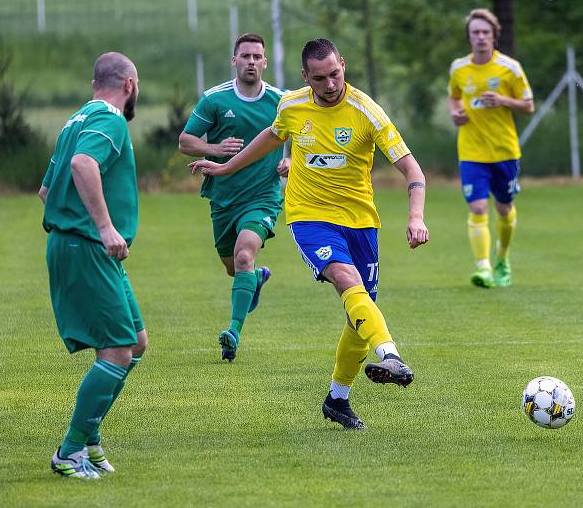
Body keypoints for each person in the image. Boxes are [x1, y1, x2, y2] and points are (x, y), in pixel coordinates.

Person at [188, 38, 429, 430]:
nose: (330, 84)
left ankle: (338, 399)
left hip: (361, 221)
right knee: (344, 278)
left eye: (335, 74)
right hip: (309, 217)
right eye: (320, 78)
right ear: (306, 77)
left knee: (359, 312)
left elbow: (413, 172)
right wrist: (226, 167)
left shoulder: (367, 112)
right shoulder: (293, 105)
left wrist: (415, 218)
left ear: (343, 66)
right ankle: (389, 353)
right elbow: (272, 135)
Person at [39, 52, 146, 479]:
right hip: (87, 247)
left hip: (82, 246)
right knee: (118, 350)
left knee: (135, 343)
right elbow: (83, 165)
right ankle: (69, 451)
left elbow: (47, 190)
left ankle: (90, 438)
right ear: (130, 85)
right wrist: (103, 227)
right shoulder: (110, 119)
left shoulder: (75, 120)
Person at [178, 33, 287, 362]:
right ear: (234, 61)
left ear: (265, 62)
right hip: (223, 198)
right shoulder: (215, 99)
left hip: (263, 196)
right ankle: (255, 277)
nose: (251, 62)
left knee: (243, 256)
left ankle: (233, 333)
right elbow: (185, 141)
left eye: (257, 56)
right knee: (233, 267)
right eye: (245, 56)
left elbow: (306, 134)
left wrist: (292, 159)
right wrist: (214, 148)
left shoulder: (282, 102)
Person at [448, 8, 534, 288]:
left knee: (505, 209)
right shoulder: (459, 68)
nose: (481, 37)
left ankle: (502, 257)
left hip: (504, 151)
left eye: (485, 32)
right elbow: (454, 98)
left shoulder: (510, 68)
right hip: (471, 151)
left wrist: (503, 100)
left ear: (494, 35)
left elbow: (529, 105)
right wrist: (456, 113)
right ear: (469, 37)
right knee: (477, 206)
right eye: (475, 33)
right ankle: (483, 268)